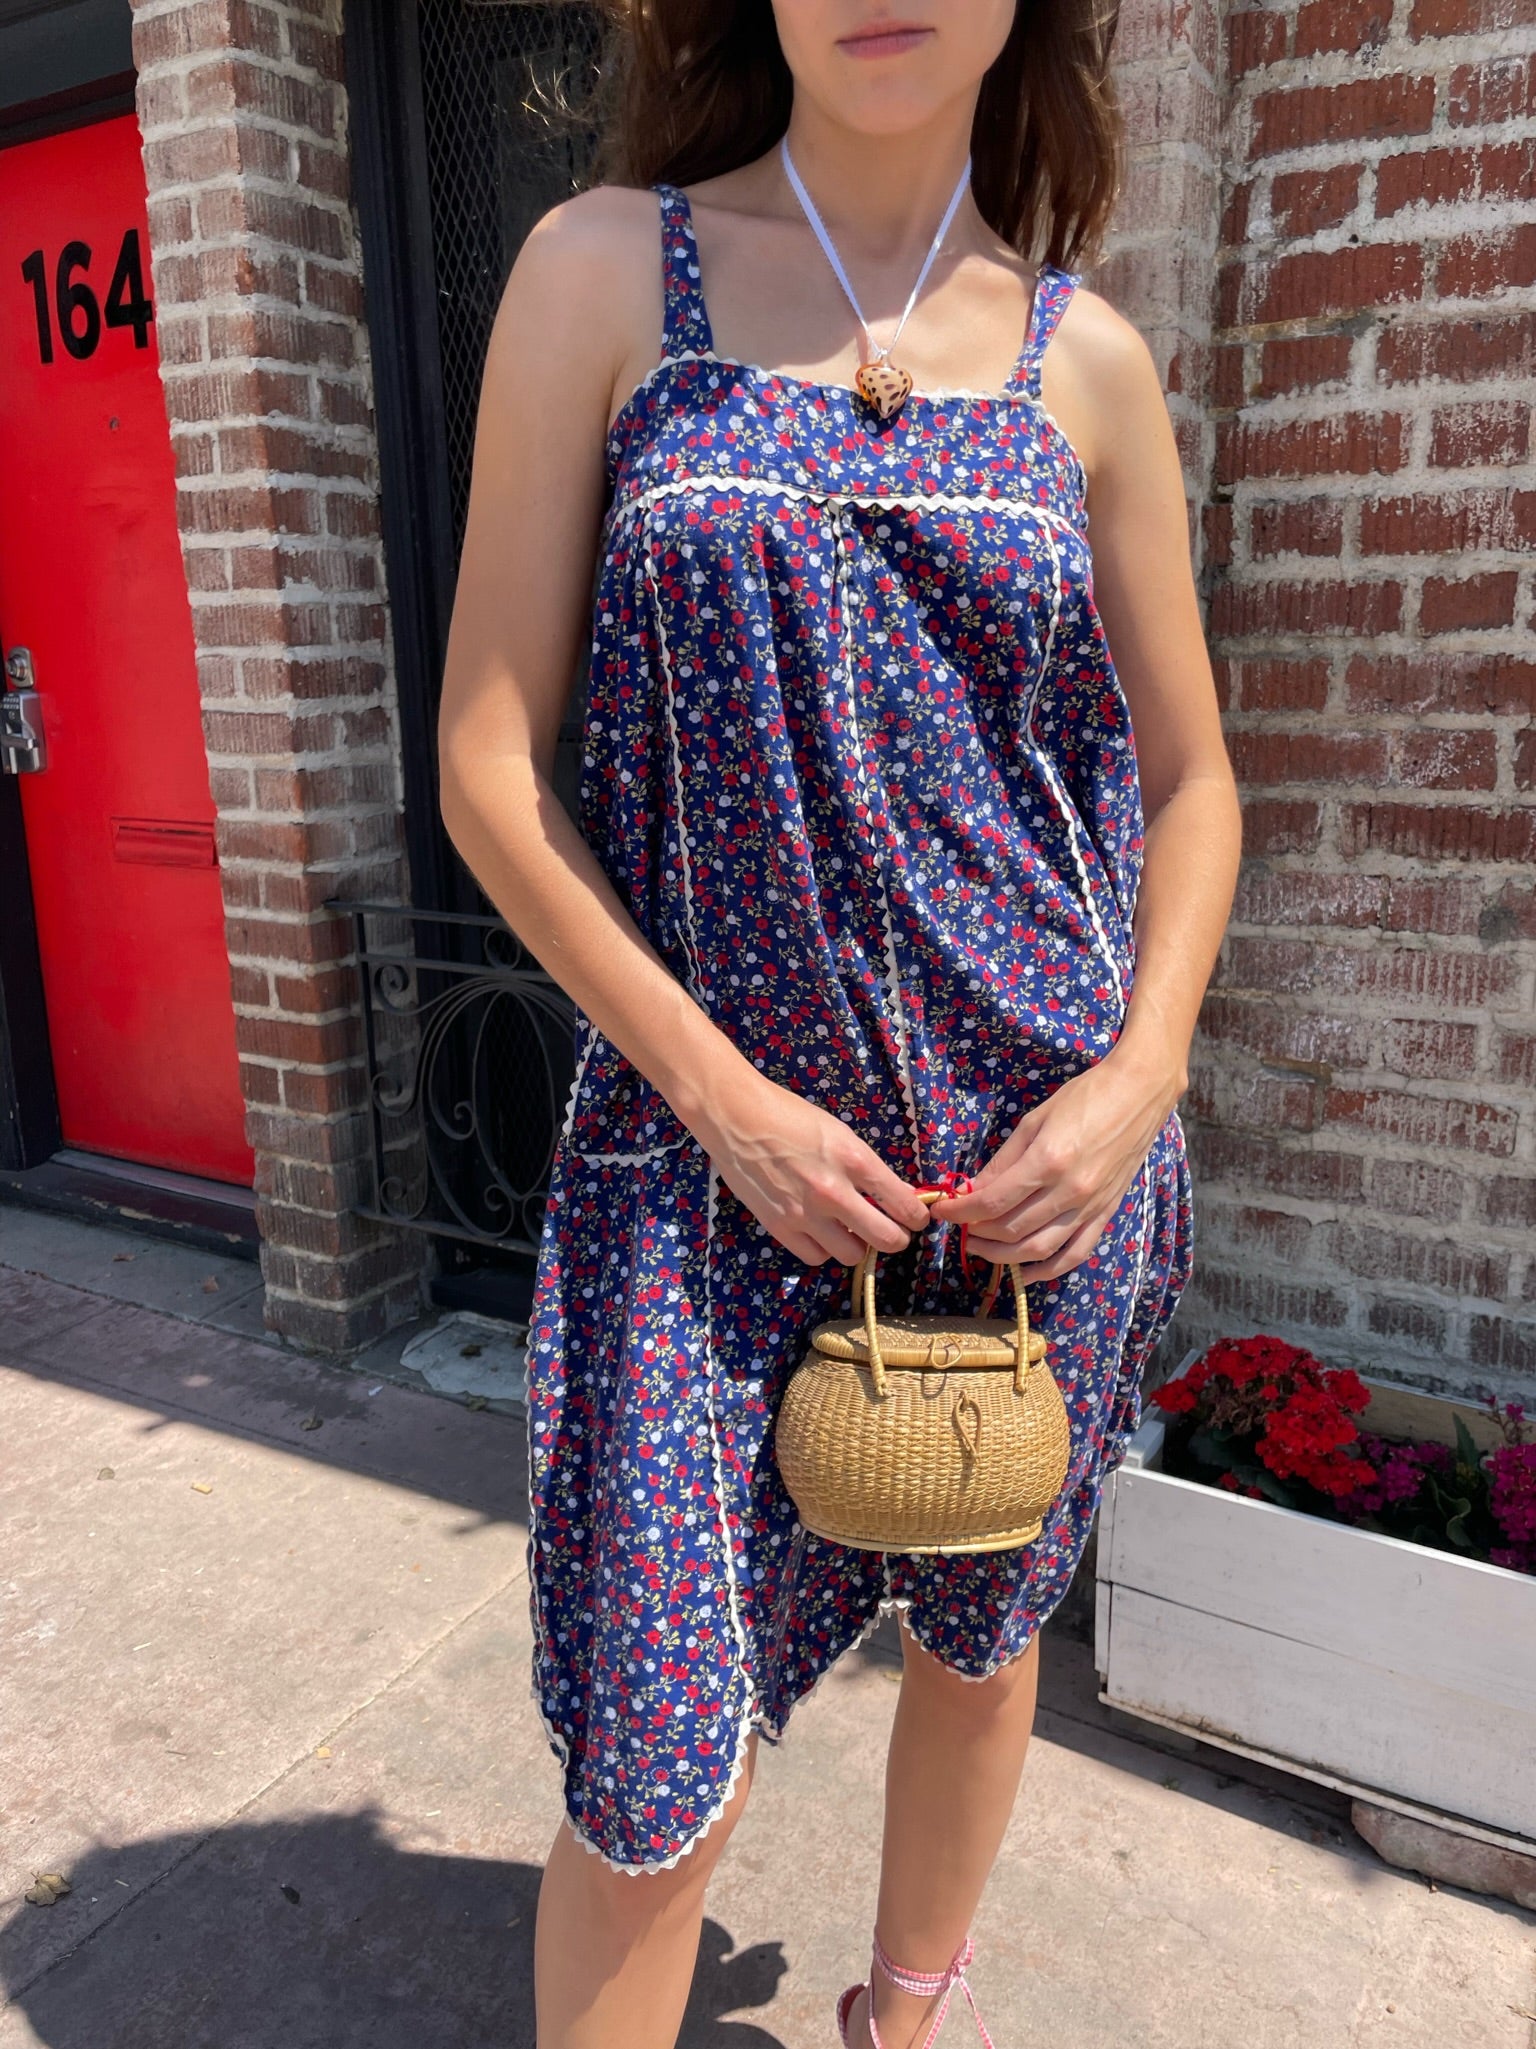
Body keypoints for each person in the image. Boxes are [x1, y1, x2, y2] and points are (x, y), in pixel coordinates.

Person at [437, 3, 1242, 2043]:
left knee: (981, 1636)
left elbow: (1188, 782)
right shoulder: (608, 273)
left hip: (1026, 1174)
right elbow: (487, 757)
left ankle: (902, 2015)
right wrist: (721, 1098)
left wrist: (1138, 1077)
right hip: (698, 1163)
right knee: (648, 1761)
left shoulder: (1094, 365)